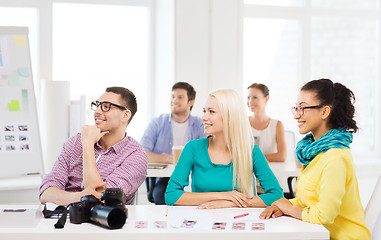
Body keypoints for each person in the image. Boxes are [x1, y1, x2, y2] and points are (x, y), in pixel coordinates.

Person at [259, 79, 371, 240]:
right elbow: (308, 201)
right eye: (296, 108)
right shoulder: (313, 152)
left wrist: (288, 208)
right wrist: (284, 205)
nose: (296, 114)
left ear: (325, 112)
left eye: (303, 108)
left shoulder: (335, 157)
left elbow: (323, 216)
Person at [165, 89, 283, 208]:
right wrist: (223, 195)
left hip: (237, 221)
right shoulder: (193, 148)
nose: (204, 117)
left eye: (211, 111)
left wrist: (229, 203)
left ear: (230, 116)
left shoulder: (251, 152)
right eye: (204, 111)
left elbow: (276, 195)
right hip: (201, 219)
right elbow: (171, 195)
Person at [40, 87, 147, 206]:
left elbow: (101, 199)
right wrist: (80, 196)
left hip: (103, 222)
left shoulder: (136, 155)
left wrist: (88, 146)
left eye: (106, 106)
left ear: (125, 115)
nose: (97, 112)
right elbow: (46, 193)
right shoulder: (75, 142)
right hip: (65, 219)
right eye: (97, 105)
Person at [140, 82, 206, 205]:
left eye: (180, 97)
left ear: (190, 102)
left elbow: (208, 154)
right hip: (166, 179)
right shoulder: (157, 123)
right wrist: (169, 158)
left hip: (194, 178)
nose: (174, 100)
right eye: (172, 96)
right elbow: (142, 153)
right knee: (162, 197)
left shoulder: (201, 124)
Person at [247, 83, 286, 162]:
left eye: (255, 97)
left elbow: (281, 156)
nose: (250, 102)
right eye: (248, 97)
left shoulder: (277, 125)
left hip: (270, 169)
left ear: (266, 99)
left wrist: (256, 158)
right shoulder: (243, 123)